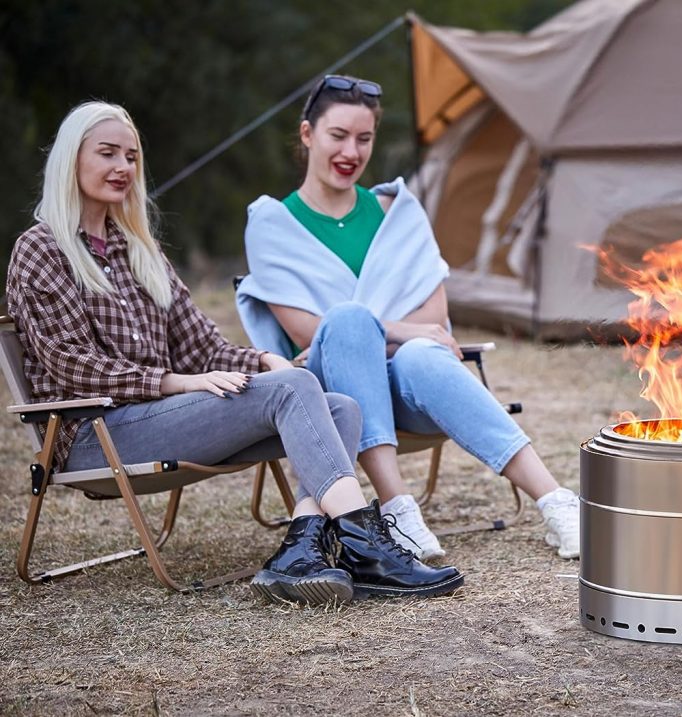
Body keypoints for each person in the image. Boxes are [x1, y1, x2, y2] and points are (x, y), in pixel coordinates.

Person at [6, 100, 464, 606]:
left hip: (161, 418)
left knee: (341, 406)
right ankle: (367, 551)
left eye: (132, 157)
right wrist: (176, 382)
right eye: (107, 154)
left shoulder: (139, 250)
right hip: (99, 434)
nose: (123, 168)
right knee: (292, 391)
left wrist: (263, 361)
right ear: (72, 160)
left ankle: (301, 548)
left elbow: (202, 345)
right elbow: (71, 365)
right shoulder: (41, 249)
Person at [236, 76, 580, 561]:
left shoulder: (397, 212)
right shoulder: (274, 224)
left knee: (419, 353)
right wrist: (391, 329)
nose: (351, 151)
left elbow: (435, 318)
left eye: (364, 138)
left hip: (410, 389)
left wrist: (395, 336)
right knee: (353, 322)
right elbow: (306, 333)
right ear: (309, 134)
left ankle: (556, 501)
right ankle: (397, 507)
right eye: (338, 136)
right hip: (333, 402)